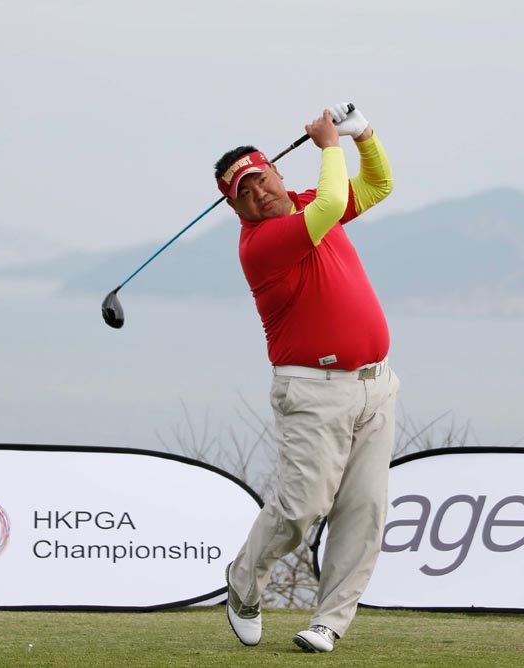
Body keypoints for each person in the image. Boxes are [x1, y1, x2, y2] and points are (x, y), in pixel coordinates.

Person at [215, 103, 399, 653]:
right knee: (300, 508)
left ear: (275, 170)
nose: (258, 194)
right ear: (234, 207)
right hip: (313, 392)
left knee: (363, 511)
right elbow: (335, 200)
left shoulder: (303, 205)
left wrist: (362, 132)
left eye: (260, 179)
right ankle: (243, 587)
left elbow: (378, 186)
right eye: (243, 193)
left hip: (376, 385)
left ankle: (329, 622)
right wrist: (327, 143)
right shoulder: (262, 245)